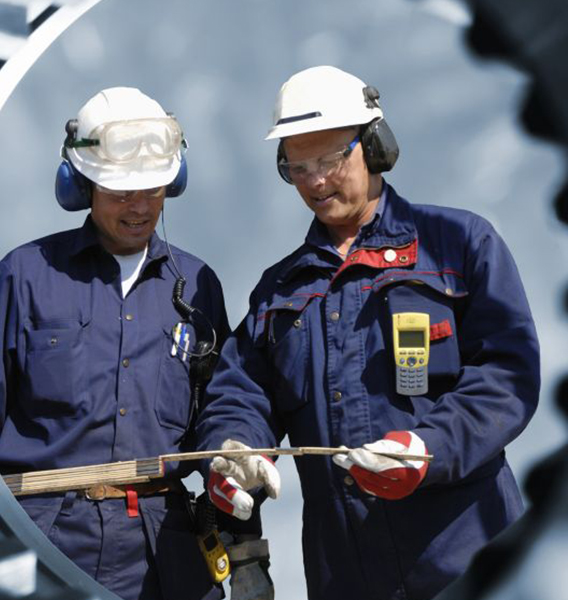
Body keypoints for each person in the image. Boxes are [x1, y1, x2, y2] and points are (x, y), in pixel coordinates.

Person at [197, 65, 540, 600]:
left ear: (376, 146)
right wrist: (234, 450)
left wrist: (428, 447)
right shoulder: (279, 291)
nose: (314, 181)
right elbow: (241, 392)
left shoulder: (459, 245)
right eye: (297, 166)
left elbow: (507, 376)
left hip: (470, 559)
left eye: (331, 160)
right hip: (348, 573)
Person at [0, 86, 244, 600]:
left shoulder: (200, 286)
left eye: (152, 190)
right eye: (121, 192)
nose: (139, 208)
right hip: (43, 547)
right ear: (81, 185)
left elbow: (221, 413)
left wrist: (231, 455)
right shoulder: (24, 277)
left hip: (165, 555)